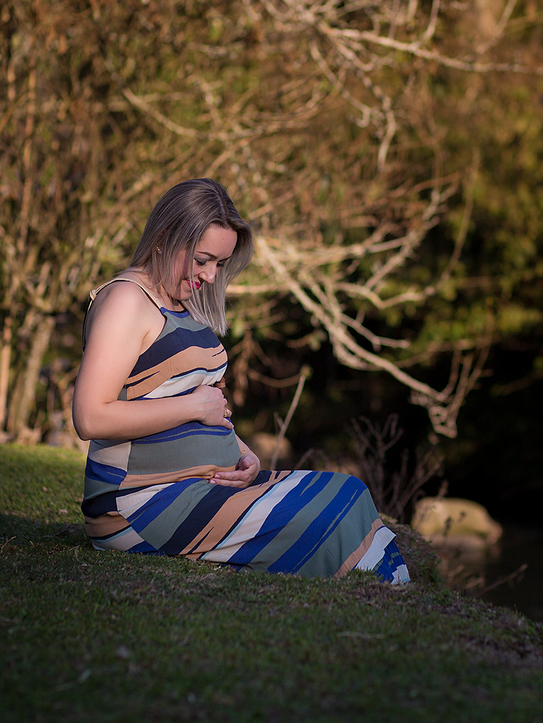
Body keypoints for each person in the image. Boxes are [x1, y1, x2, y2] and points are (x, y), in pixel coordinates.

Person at [72, 178, 409, 583]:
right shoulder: (127, 300)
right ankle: (383, 599)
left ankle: (389, 598)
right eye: (202, 259)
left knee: (350, 493)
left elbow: (203, 406)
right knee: (334, 507)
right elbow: (90, 417)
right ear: (164, 237)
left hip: (195, 491)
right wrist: (195, 406)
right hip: (141, 506)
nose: (211, 276)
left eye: (219, 263)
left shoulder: (178, 304)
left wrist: (242, 453)